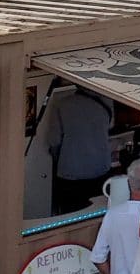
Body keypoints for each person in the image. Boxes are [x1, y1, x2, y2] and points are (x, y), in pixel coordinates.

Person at [45, 84, 117, 216]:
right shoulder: (107, 101)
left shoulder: (62, 104)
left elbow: (54, 141)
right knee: (97, 213)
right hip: (100, 167)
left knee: (71, 216)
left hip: (71, 171)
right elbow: (110, 126)